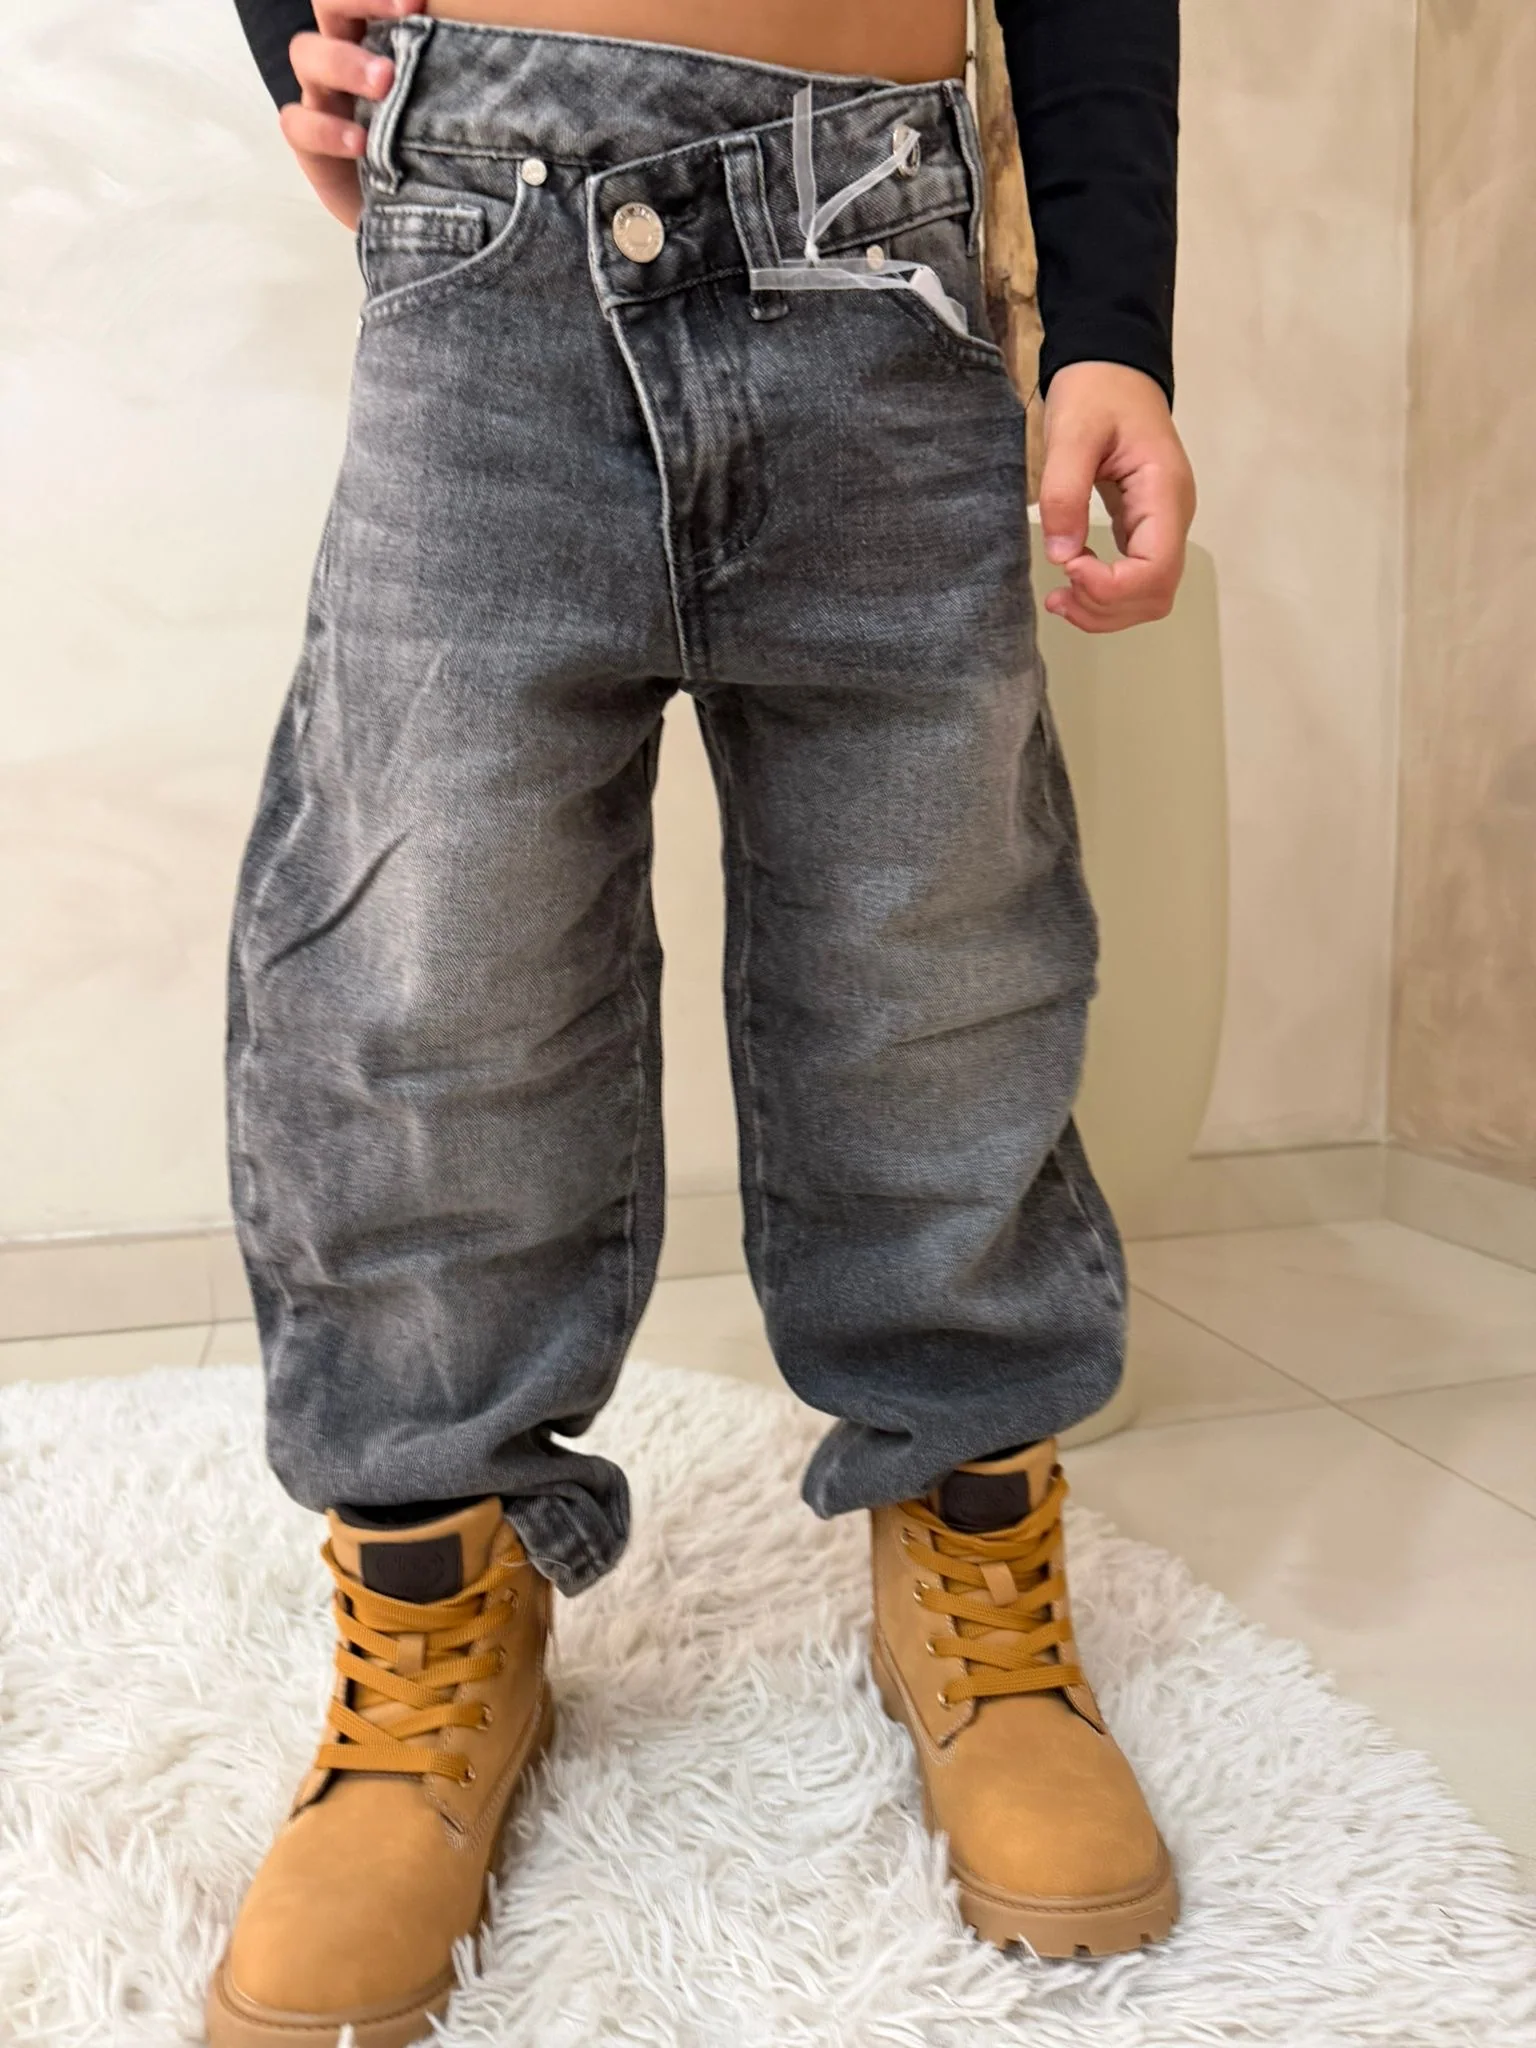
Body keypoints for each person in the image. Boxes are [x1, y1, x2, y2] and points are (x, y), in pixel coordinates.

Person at [210, 1, 1196, 2040]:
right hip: (481, 225)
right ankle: (435, 1598)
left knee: (936, 961)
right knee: (428, 968)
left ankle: (971, 1545)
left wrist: (1116, 322)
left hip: (885, 242)